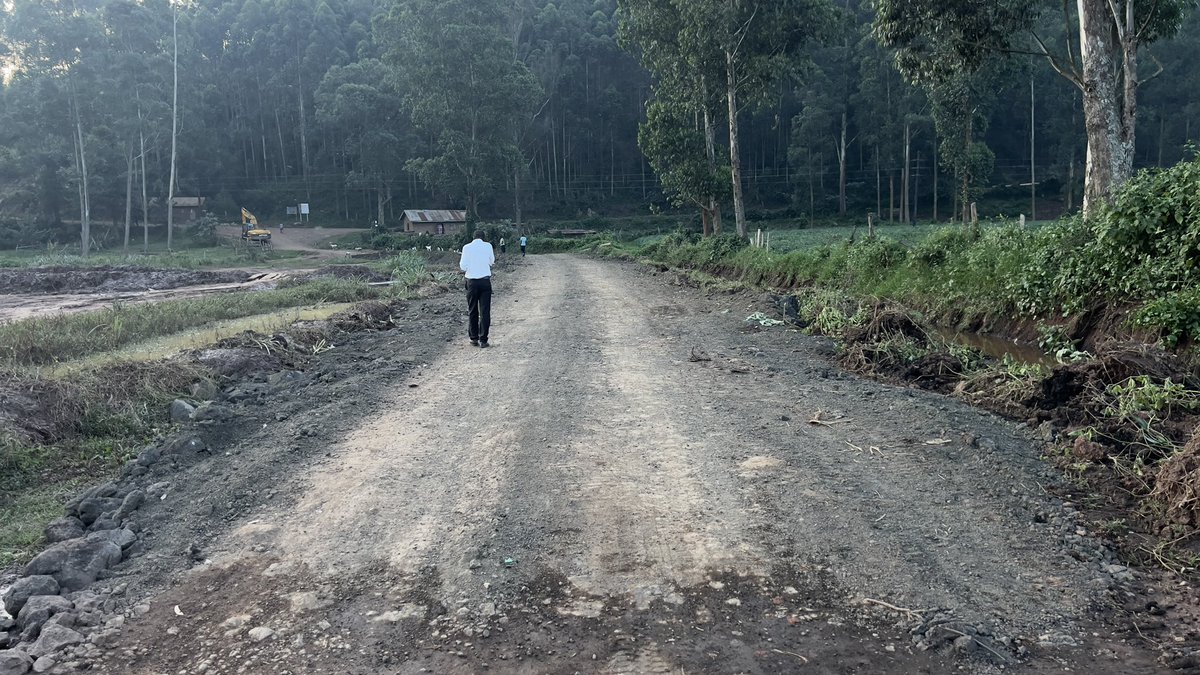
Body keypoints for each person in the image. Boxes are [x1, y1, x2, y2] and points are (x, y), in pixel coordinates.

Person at [459, 231, 495, 348]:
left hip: (472, 282)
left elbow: (463, 266)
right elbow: (492, 262)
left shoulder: (466, 247)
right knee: (485, 311)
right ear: (483, 238)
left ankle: (474, 338)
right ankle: (483, 340)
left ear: (473, 237)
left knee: (472, 310)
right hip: (485, 282)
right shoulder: (488, 246)